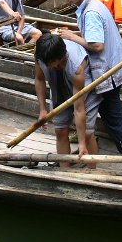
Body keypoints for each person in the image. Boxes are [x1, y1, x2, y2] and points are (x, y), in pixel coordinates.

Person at [59, 0, 122, 172]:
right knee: (110, 116)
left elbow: (97, 46)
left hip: (107, 73)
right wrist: (72, 34)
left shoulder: (91, 12)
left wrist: (71, 36)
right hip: (112, 69)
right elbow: (91, 34)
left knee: (113, 118)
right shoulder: (91, 6)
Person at [34, 33, 99, 166]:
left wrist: (81, 144)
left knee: (86, 134)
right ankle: (65, 171)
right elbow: (39, 79)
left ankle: (93, 171)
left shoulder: (76, 67)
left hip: (84, 89)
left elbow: (79, 108)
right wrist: (42, 109)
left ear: (60, 58)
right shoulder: (41, 55)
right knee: (60, 130)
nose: (47, 66)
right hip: (59, 87)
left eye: (50, 64)